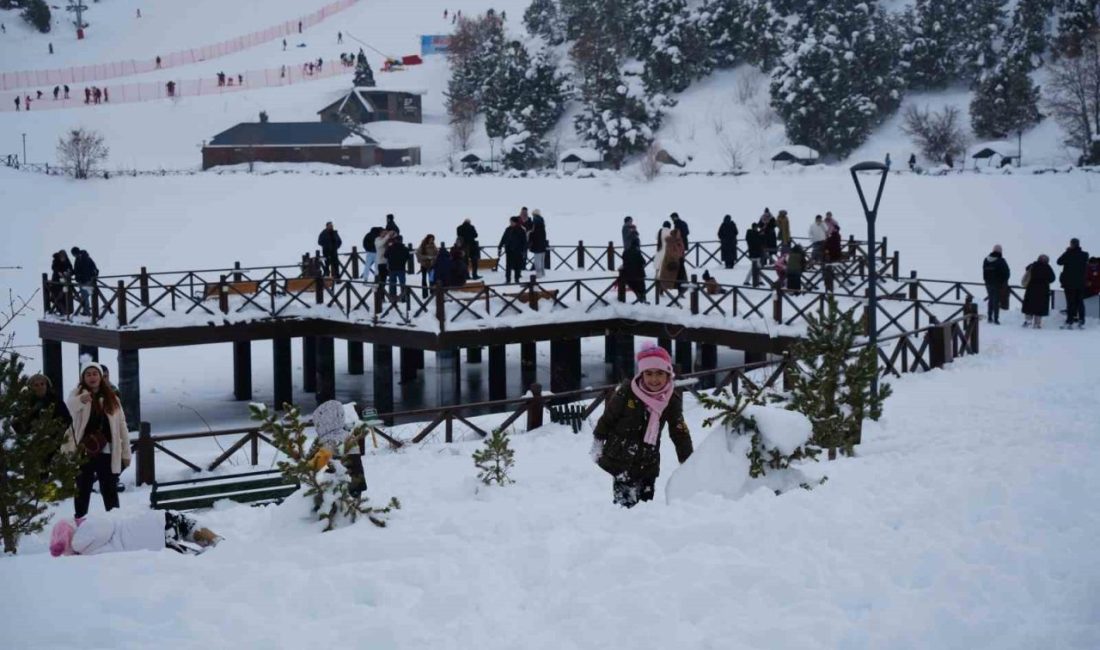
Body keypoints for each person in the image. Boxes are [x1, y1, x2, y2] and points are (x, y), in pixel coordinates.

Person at [592, 344, 693, 508]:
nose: (654, 379)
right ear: (641, 374)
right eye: (649, 374)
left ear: (668, 374)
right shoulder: (627, 392)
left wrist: (688, 461)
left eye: (660, 373)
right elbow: (608, 418)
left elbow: (679, 431)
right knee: (625, 506)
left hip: (648, 462)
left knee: (646, 507)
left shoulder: (670, 399)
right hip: (621, 458)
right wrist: (598, 443)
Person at [61, 362, 130, 519]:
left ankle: (114, 522)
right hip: (83, 451)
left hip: (107, 450)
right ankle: (80, 522)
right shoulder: (78, 394)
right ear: (83, 377)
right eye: (88, 374)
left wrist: (126, 453)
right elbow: (69, 407)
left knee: (109, 489)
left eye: (95, 374)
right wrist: (81, 400)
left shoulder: (112, 398)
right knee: (82, 490)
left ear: (101, 377)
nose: (92, 377)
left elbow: (122, 425)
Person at [50, 510, 220, 557]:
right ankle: (221, 547)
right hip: (153, 526)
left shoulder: (85, 543)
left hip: (153, 532)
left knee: (196, 554)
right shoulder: (86, 536)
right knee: (190, 528)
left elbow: (104, 526)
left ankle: (220, 548)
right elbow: (105, 525)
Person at [1057, 238, 1089, 329]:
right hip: (1080, 282)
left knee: (1070, 302)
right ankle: (1081, 319)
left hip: (1069, 283)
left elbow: (1059, 262)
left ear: (1071, 244)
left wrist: (1067, 252)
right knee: (1080, 302)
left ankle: (1070, 319)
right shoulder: (1085, 254)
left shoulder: (1069, 254)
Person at [1022, 254, 1056, 328]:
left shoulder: (1033, 265)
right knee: (1040, 307)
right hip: (1043, 290)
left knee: (1029, 305)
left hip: (1031, 289)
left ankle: (1028, 321)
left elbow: (1027, 269)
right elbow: (1052, 278)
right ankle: (1037, 323)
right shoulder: (1047, 267)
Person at [981, 245, 1011, 324]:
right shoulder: (1001, 261)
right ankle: (996, 319)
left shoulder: (986, 260)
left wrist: (986, 280)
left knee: (990, 299)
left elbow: (984, 271)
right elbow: (1007, 273)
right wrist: (1003, 281)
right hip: (998, 284)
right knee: (996, 301)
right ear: (1000, 251)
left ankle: (990, 317)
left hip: (988, 283)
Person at [498, 217, 527, 283]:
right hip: (509, 250)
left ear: (515, 222)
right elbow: (503, 238)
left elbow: (524, 241)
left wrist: (524, 250)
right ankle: (508, 279)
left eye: (511, 222)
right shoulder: (508, 229)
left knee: (517, 266)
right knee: (508, 266)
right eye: (510, 222)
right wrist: (500, 246)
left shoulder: (521, 230)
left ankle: (517, 279)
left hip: (518, 250)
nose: (510, 223)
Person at [71, 247, 99, 316]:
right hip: (83, 280)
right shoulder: (80, 259)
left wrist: (93, 274)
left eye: (73, 254)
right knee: (85, 296)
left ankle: (88, 312)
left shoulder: (85, 258)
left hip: (86, 280)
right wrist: (72, 273)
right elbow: (76, 270)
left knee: (86, 296)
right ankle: (87, 311)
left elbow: (94, 268)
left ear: (76, 253)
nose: (73, 256)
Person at [621, 237, 647, 301]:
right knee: (642, 287)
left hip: (627, 276)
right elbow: (643, 262)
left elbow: (624, 260)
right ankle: (642, 299)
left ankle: (639, 296)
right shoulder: (637, 252)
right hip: (638, 276)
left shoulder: (625, 252)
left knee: (634, 286)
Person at [529, 212, 548, 278]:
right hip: (542, 245)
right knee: (542, 260)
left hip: (537, 245)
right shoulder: (542, 225)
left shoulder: (535, 224)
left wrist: (530, 234)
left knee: (537, 261)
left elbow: (533, 235)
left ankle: (539, 274)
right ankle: (542, 273)